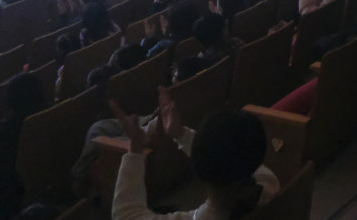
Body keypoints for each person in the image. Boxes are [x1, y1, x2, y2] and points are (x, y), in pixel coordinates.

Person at [110, 89, 279, 220]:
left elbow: (126, 215)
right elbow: (222, 155)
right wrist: (180, 134)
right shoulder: (268, 183)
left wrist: (135, 147)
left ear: (198, 171)